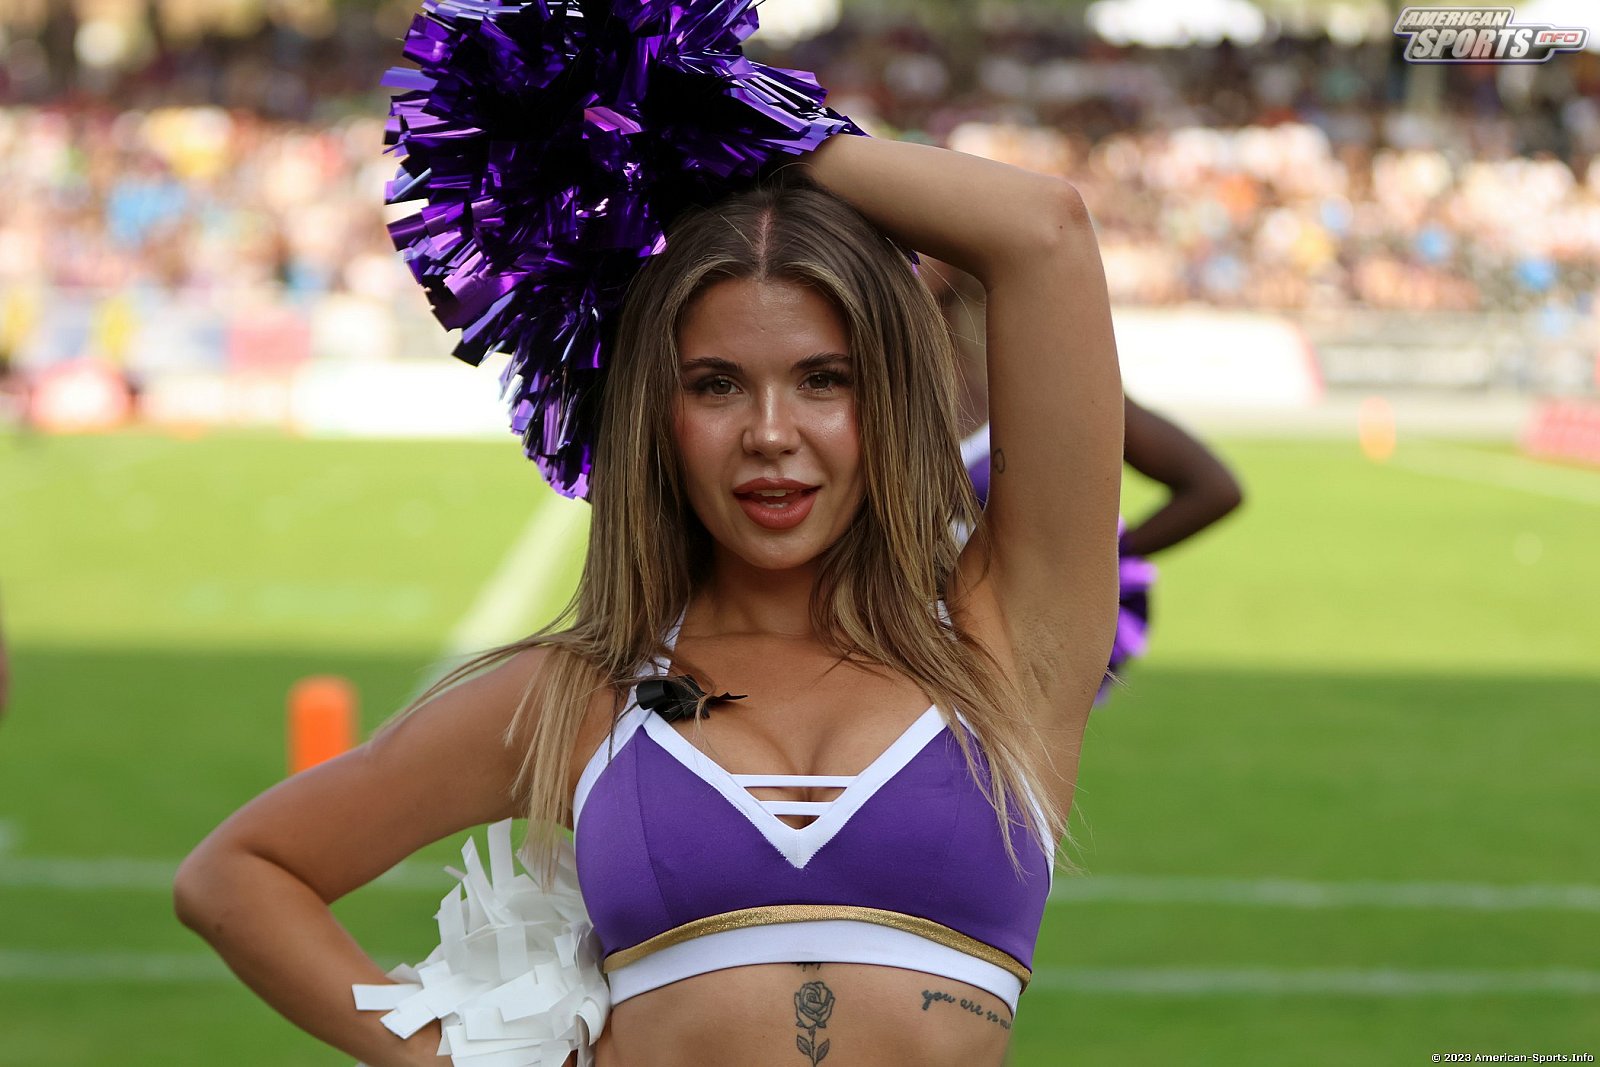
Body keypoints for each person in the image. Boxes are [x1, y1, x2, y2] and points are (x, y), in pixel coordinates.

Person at [173, 30, 1122, 1067]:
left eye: (823, 379)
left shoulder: (1005, 646)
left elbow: (1045, 231)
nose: (770, 432)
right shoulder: (582, 693)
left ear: (886, 400)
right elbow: (240, 873)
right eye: (716, 384)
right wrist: (454, 1059)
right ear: (657, 415)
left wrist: (723, 122)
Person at [930, 258, 1242, 699]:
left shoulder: (1044, 370)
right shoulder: (864, 368)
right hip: (893, 635)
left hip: (1005, 649)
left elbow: (1212, 488)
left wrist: (1098, 559)